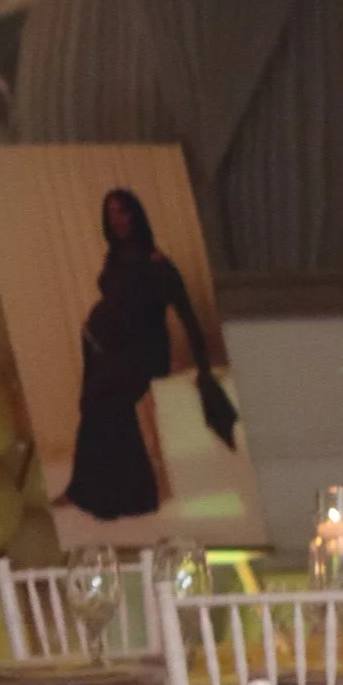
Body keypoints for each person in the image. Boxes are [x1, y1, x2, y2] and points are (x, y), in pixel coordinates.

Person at [65, 185, 240, 523]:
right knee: (89, 403)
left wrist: (204, 369)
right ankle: (84, 490)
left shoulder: (156, 262)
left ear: (136, 214)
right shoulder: (114, 258)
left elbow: (187, 316)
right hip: (105, 349)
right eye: (111, 213)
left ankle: (135, 497)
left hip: (144, 354)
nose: (117, 219)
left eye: (123, 211)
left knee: (106, 402)